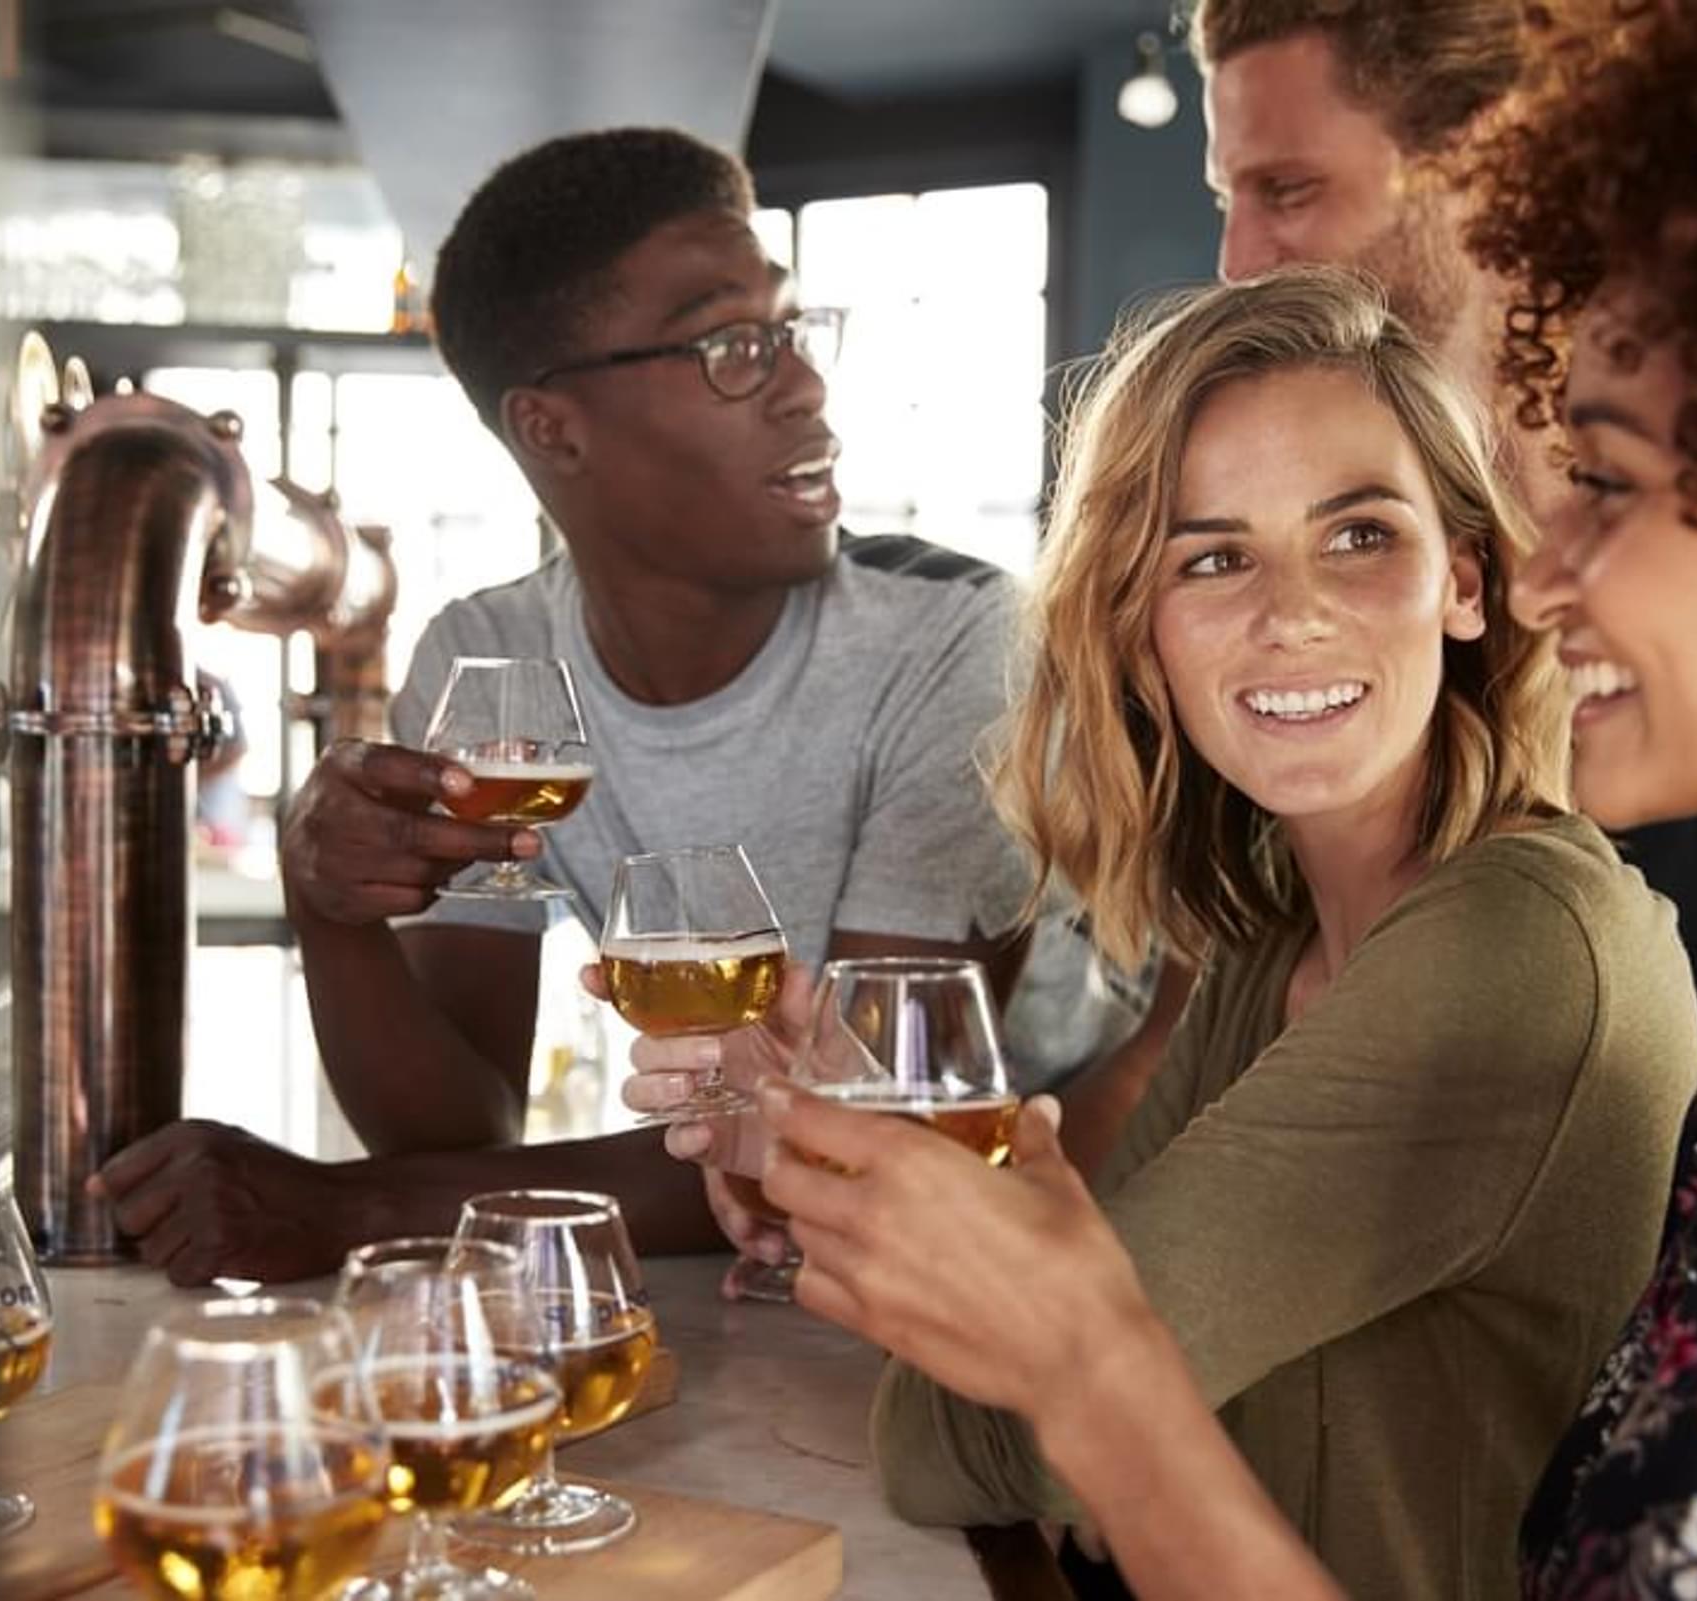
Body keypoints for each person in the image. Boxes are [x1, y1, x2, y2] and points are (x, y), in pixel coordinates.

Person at [752, 2, 1697, 1596]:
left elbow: (1003, 1408)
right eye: (1211, 557)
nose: (1548, 573)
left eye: (1605, 479)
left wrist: (1091, 1373)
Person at [655, 266, 1697, 1598]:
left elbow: (973, 1438)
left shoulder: (1511, 950)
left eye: (1361, 535)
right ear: (1144, 641)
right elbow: (1074, 1324)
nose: (1293, 610)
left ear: (1468, 582)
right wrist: (855, 1137)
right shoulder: (1276, 936)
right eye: (1213, 557)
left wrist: (885, 1178)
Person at [88, 127, 1153, 1286]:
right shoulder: (488, 658)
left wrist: (344, 1208)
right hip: (800, 1256)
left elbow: (870, 1122)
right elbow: (456, 1124)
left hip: (1082, 1229)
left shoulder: (955, 640)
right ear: (552, 426)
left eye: (789, 329)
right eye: (733, 345)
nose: (804, 385)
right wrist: (328, 899)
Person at [1194, 0, 1697, 1046]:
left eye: (1287, 190)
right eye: (1228, 197)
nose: (1237, 260)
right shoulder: (1353, 605)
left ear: (1480, 157)